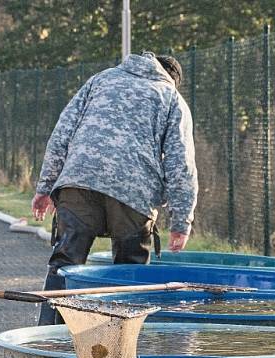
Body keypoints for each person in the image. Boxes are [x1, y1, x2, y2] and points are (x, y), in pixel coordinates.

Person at [31, 53, 197, 325]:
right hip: (134, 191)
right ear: (173, 79)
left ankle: (46, 340)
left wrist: (45, 187)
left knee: (65, 263)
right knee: (129, 273)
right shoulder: (170, 98)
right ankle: (118, 346)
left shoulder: (100, 80)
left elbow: (61, 133)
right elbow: (181, 164)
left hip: (78, 180)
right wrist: (181, 221)